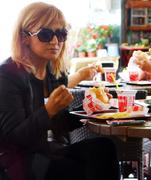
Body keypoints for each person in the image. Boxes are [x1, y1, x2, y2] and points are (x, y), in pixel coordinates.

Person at [0, 2, 119, 180]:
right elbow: (13, 140)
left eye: (61, 34)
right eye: (45, 34)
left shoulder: (53, 72)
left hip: (44, 152)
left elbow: (59, 124)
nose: (55, 42)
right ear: (25, 37)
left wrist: (92, 110)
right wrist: (49, 111)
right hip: (17, 163)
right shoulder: (8, 75)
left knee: (104, 148)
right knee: (82, 169)